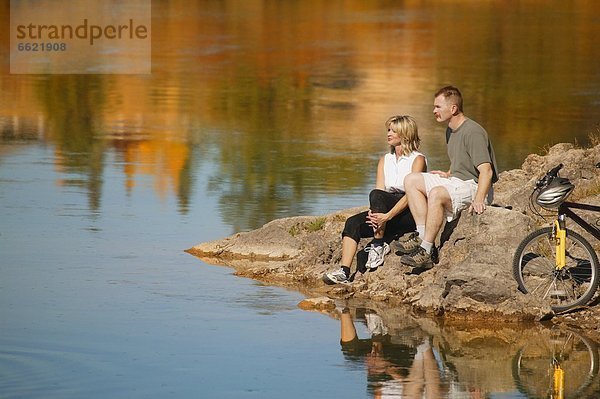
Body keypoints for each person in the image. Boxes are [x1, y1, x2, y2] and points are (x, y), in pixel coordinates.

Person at [396, 86, 498, 270]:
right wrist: (449, 173)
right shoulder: (450, 130)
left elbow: (486, 171)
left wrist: (479, 199)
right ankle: (421, 235)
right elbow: (462, 158)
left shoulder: (473, 132)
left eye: (438, 107)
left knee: (436, 193)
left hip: (474, 185)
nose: (434, 111)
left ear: (453, 109)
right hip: (457, 181)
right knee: (411, 179)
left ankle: (426, 251)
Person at [323, 115, 427, 285]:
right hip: (385, 208)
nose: (389, 134)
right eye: (388, 130)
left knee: (378, 196)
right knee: (352, 223)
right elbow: (379, 190)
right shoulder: (384, 160)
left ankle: (378, 244)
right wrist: (374, 213)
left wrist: (386, 216)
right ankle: (344, 272)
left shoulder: (418, 159)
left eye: (393, 130)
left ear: (405, 134)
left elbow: (411, 195)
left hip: (410, 212)